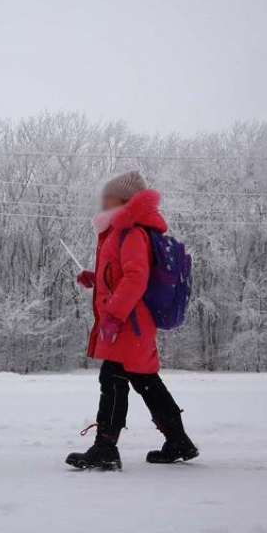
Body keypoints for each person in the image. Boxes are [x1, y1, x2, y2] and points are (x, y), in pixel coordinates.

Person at [66, 170, 198, 470]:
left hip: (128, 323)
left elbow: (137, 277)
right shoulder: (120, 231)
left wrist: (112, 315)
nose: (102, 200)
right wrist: (95, 279)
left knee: (113, 381)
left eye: (108, 195)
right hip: (132, 323)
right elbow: (121, 274)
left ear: (124, 199)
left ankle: (105, 448)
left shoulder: (131, 232)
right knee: (144, 381)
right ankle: (178, 440)